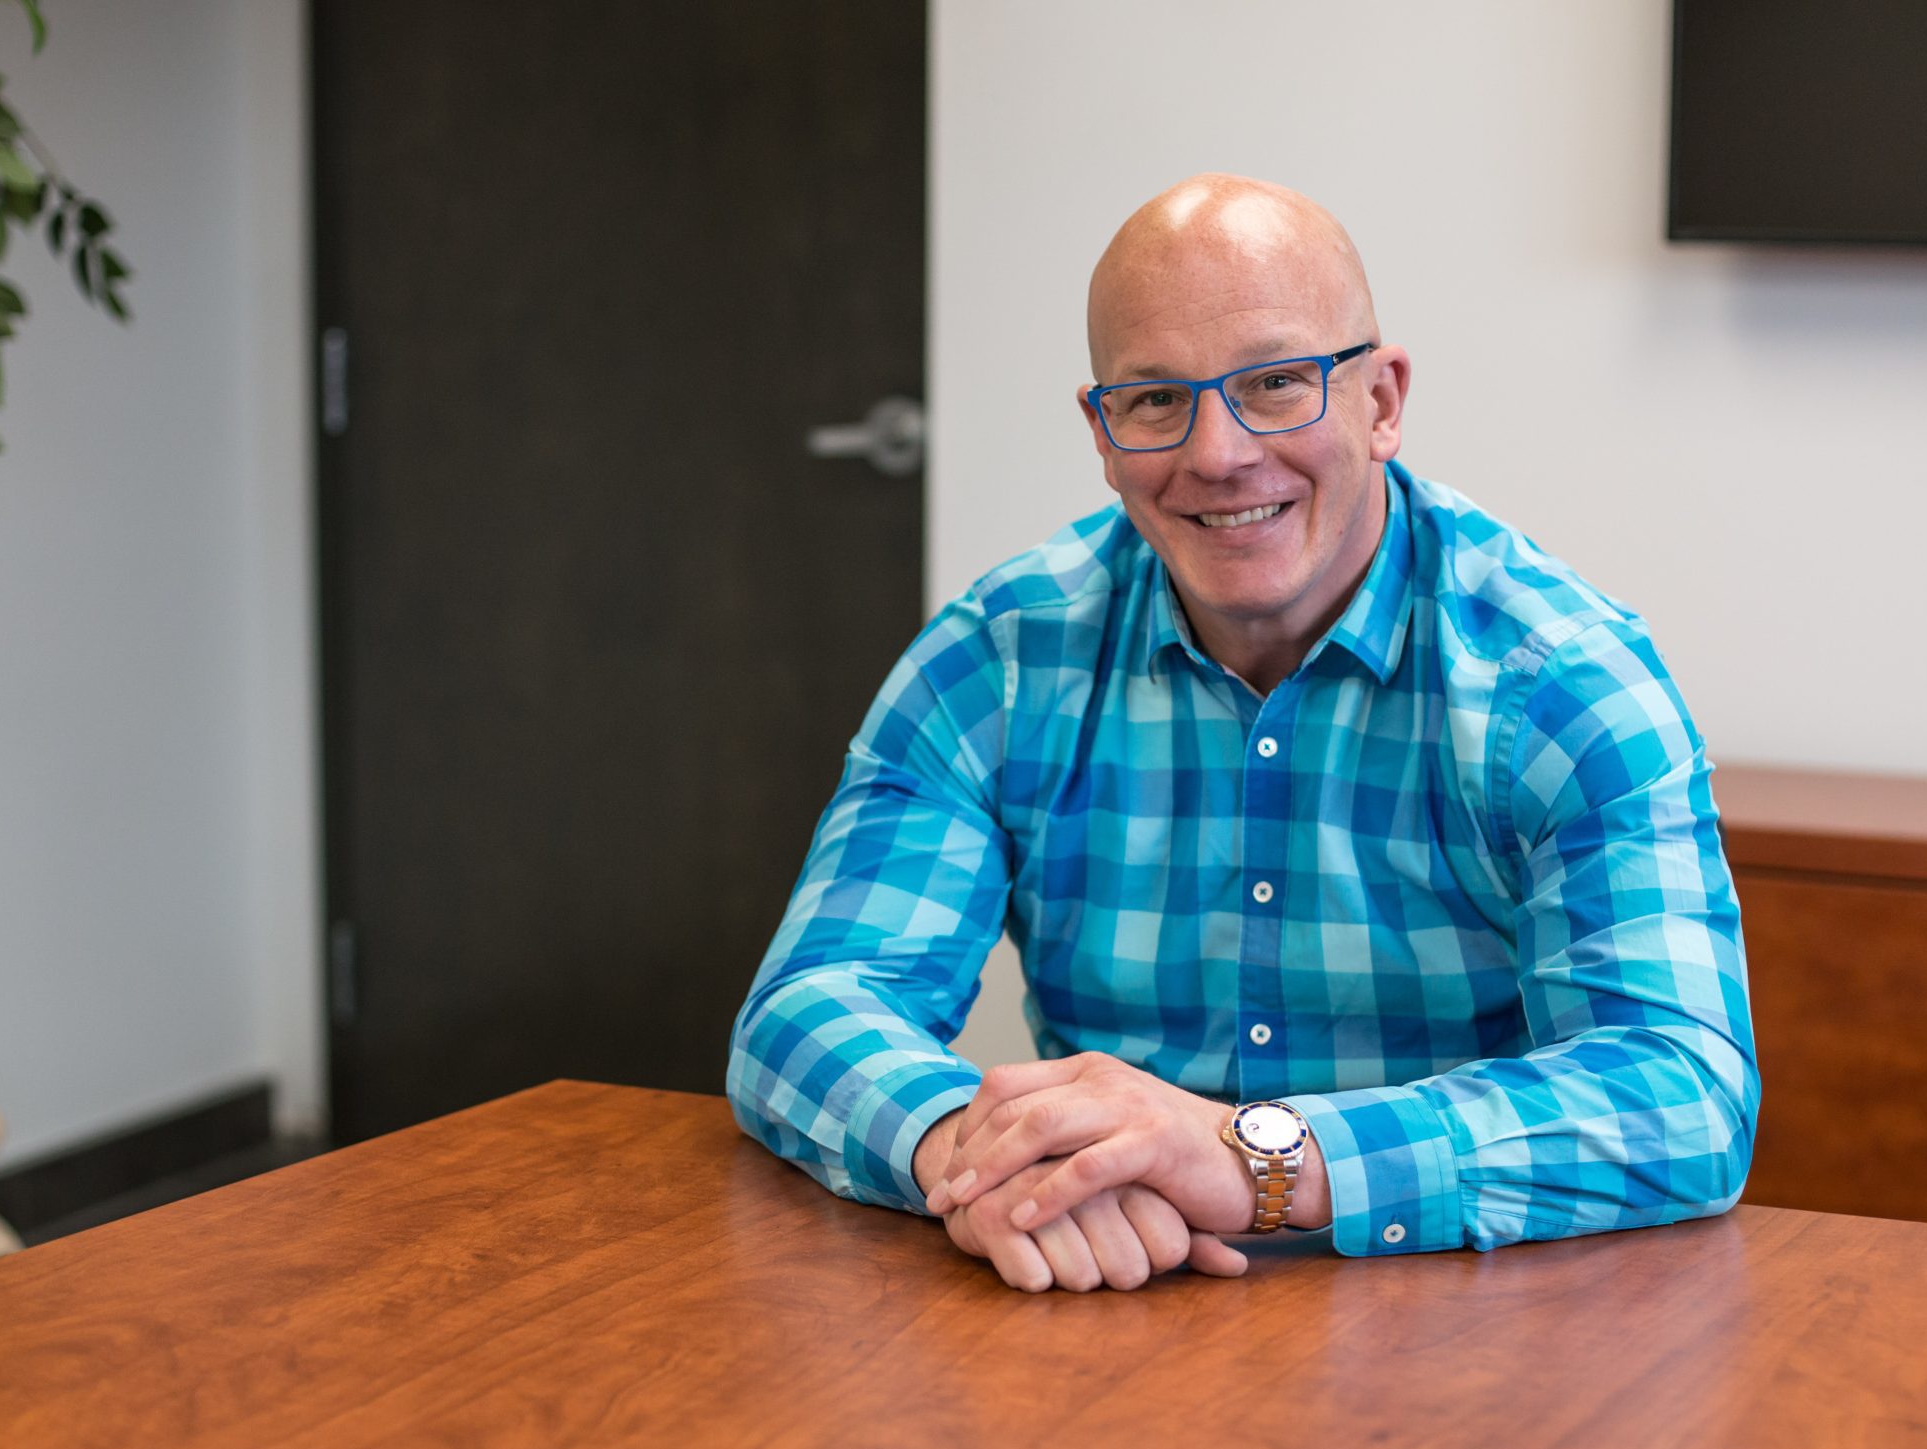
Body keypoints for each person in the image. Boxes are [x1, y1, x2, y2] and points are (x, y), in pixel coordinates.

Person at [728, 174, 1758, 1293]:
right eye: (1157, 399)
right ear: (1102, 430)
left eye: (1275, 384)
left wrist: (1256, 1162)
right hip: (1112, 1288)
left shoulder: (1556, 682)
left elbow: (1679, 1092)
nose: (1217, 453)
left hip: (1469, 1321)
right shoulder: (1000, 658)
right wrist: (974, 1160)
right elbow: (810, 1006)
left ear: (1381, 401)